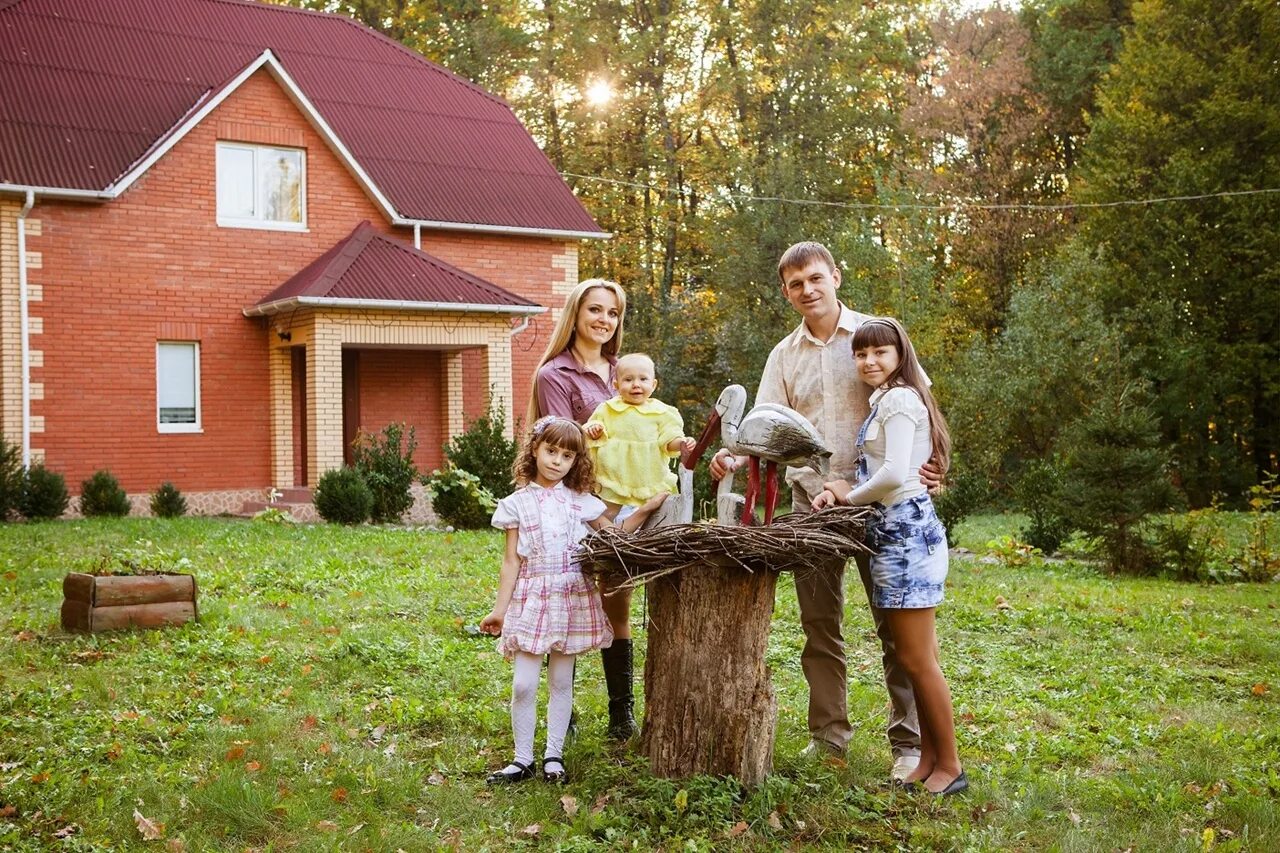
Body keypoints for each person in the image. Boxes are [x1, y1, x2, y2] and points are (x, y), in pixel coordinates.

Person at [709, 241, 941, 780]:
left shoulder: (875, 337)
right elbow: (761, 429)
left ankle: (908, 744)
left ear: (836, 276)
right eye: (795, 285)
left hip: (877, 502)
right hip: (809, 502)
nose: (808, 290)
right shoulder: (783, 355)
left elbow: (923, 405)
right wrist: (731, 456)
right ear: (786, 292)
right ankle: (830, 738)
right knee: (819, 624)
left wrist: (936, 466)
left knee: (894, 625)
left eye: (815, 278)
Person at [811, 317, 965, 795]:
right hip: (891, 532)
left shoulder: (899, 398)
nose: (869, 361)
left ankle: (951, 767)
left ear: (900, 355)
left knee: (918, 659)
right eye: (861, 354)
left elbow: (897, 473)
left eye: (880, 352)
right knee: (913, 654)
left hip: (905, 534)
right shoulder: (887, 399)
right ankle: (930, 761)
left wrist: (845, 494)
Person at [481, 416, 663, 785]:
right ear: (534, 450)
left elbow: (615, 536)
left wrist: (643, 510)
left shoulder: (581, 502)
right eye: (551, 451)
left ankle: (553, 756)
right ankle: (521, 759)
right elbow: (511, 560)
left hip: (570, 594)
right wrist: (499, 611)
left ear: (575, 461)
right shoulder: (516, 503)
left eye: (566, 455)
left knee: (562, 681)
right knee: (524, 684)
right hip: (532, 597)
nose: (557, 461)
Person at [526, 278, 641, 740]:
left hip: (622, 500)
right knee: (566, 604)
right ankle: (564, 716)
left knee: (617, 602)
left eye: (613, 313)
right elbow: (558, 444)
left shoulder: (623, 371)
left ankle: (621, 715)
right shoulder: (555, 374)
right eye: (595, 310)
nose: (604, 320)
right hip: (573, 503)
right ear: (575, 314)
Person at [584, 353, 695, 519]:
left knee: (656, 517)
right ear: (616, 385)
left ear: (654, 384)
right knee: (607, 514)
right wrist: (594, 430)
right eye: (628, 380)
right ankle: (604, 539)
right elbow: (592, 429)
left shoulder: (662, 412)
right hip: (615, 473)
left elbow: (669, 439)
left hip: (649, 474)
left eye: (643, 379)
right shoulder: (607, 409)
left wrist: (681, 443)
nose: (636, 385)